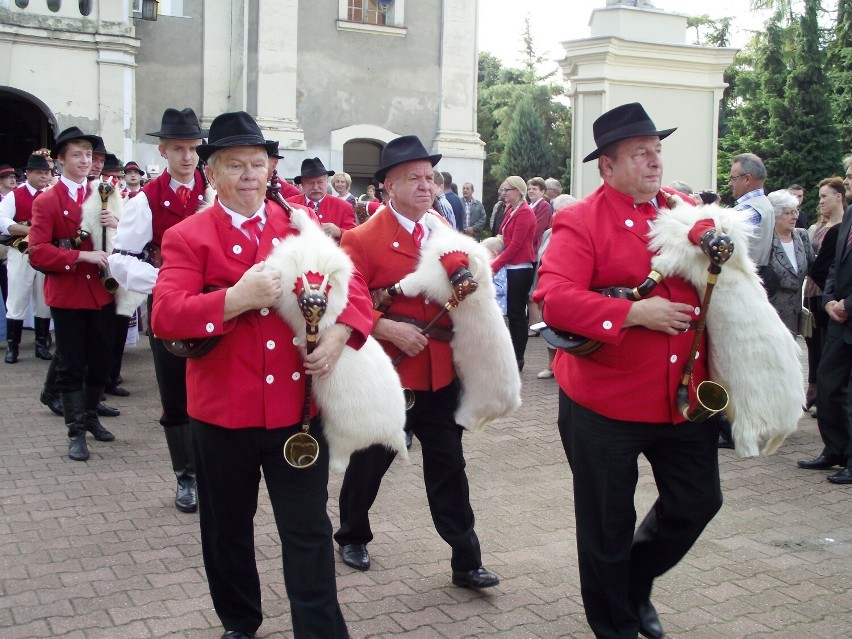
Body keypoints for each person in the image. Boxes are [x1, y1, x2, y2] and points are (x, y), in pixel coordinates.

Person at [151, 111, 372, 639]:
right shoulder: (189, 235)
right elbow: (165, 315)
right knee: (227, 532)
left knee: (309, 532)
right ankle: (239, 622)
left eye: (258, 164)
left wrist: (343, 333)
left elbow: (355, 288)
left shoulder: (297, 225)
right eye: (235, 166)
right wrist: (232, 299)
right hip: (222, 415)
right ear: (211, 173)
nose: (250, 175)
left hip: (295, 413)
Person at [534, 102, 723, 639]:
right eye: (639, 153)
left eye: (656, 151)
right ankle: (614, 625)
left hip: (681, 398)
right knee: (605, 528)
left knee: (697, 501)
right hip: (603, 404)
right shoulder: (580, 219)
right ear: (607, 167)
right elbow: (554, 301)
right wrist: (633, 312)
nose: (653, 161)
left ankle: (634, 583)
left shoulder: (684, 211)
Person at [333, 134, 500, 591]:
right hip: (389, 370)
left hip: (441, 369)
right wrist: (387, 328)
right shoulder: (362, 238)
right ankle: (351, 533)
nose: (426, 185)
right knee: (373, 459)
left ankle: (466, 559)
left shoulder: (445, 235)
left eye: (430, 177)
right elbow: (342, 302)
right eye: (414, 178)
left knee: (449, 464)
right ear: (389, 186)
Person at [108, 107, 211, 513]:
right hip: (170, 305)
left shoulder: (214, 187)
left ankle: (212, 470)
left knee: (215, 388)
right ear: (163, 150)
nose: (188, 157)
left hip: (219, 306)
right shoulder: (146, 200)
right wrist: (168, 281)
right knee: (175, 392)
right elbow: (120, 259)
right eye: (179, 149)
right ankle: (185, 476)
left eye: (193, 149)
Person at [28, 127, 118, 461]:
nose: (85, 161)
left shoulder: (103, 192)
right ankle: (75, 430)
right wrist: (81, 255)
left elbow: (119, 245)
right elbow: (37, 252)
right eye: (77, 154)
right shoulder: (48, 200)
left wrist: (115, 224)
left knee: (101, 361)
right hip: (67, 294)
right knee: (71, 364)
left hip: (102, 292)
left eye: (88, 155)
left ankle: (91, 415)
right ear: (61, 159)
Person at [798, 156, 852, 485]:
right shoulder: (847, 219)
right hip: (838, 318)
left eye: (851, 176)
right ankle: (835, 448)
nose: (846, 181)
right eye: (847, 175)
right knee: (828, 385)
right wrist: (831, 299)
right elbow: (834, 266)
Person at [0, 151, 53, 363]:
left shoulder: (51, 194)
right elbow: (2, 219)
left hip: (45, 252)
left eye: (46, 173)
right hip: (20, 252)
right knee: (17, 297)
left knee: (43, 299)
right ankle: (13, 347)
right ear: (28, 173)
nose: (43, 176)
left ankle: (41, 344)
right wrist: (23, 229)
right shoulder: (16, 195)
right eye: (39, 172)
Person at [802, 177, 846, 412]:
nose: (820, 202)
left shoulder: (841, 228)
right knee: (814, 345)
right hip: (814, 294)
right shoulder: (818, 228)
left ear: (838, 197)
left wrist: (830, 294)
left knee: (825, 346)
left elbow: (823, 268)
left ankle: (824, 394)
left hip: (826, 297)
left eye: (824, 196)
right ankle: (815, 390)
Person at [493, 175, 536, 371]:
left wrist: (493, 265)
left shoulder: (525, 212)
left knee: (517, 314)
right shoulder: (511, 210)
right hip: (510, 268)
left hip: (519, 269)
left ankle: (518, 357)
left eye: (506, 190)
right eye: (502, 190)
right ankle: (511, 355)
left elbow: (515, 246)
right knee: (511, 313)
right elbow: (503, 236)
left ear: (518, 192)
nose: (502, 193)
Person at [533, 194, 576, 379]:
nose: (556, 215)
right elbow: (540, 260)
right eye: (555, 211)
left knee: (569, 330)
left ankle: (567, 367)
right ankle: (551, 366)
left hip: (567, 288)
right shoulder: (548, 233)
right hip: (546, 286)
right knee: (548, 328)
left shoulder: (577, 233)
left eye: (560, 210)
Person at [765, 190, 815, 335]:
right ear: (775, 215)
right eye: (788, 213)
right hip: (771, 313)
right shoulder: (766, 240)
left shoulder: (802, 236)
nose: (795, 216)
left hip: (794, 315)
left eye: (795, 211)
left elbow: (814, 268)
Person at [287, 158, 355, 242]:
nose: (315, 187)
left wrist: (339, 232)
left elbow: (354, 238)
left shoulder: (344, 207)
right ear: (302, 185)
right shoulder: (289, 205)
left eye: (320, 182)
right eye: (311, 183)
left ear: (326, 182)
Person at [729, 153, 774, 279]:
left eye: (733, 178)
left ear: (747, 179)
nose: (730, 184)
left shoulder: (747, 210)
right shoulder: (764, 204)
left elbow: (728, 247)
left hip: (739, 280)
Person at [526, 176, 553, 333]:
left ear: (543, 191)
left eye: (534, 189)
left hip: (536, 251)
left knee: (534, 290)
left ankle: (534, 326)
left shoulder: (543, 206)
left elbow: (537, 229)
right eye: (529, 188)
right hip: (531, 251)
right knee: (530, 290)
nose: (531, 191)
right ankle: (532, 324)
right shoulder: (530, 205)